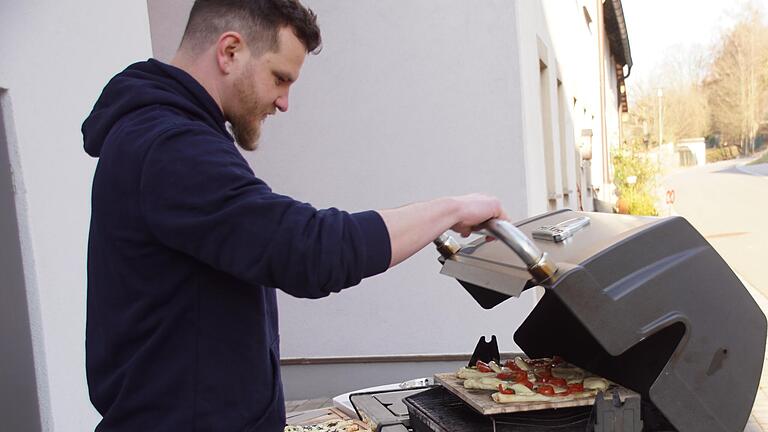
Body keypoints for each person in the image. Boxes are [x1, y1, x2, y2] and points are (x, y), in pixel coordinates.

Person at [81, 1, 508, 431]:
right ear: (230, 51)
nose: (284, 102)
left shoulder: (166, 137)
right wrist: (450, 210)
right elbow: (308, 250)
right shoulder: (171, 147)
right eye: (280, 78)